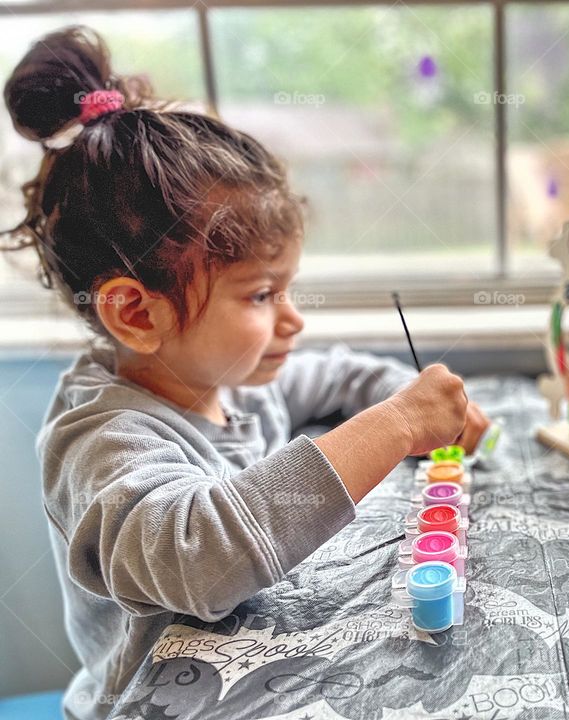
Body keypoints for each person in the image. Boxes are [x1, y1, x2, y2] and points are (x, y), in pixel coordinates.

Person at [1, 26, 489, 720]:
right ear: (137, 313)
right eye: (261, 295)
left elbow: (331, 378)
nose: (292, 322)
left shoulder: (223, 384)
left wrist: (395, 392)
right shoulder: (100, 443)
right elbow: (202, 555)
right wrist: (402, 421)